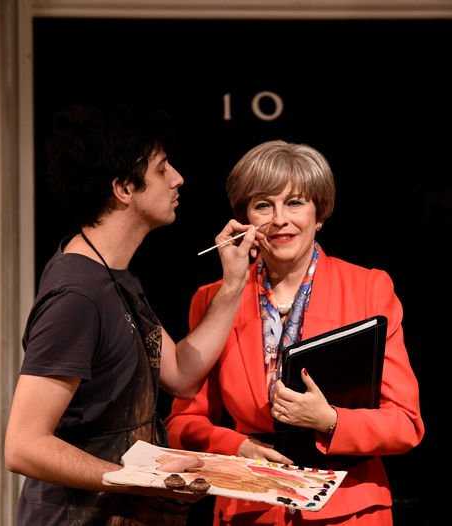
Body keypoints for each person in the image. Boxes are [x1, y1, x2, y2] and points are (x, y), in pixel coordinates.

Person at [4, 104, 261, 526]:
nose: (178, 178)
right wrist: (135, 479)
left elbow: (179, 372)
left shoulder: (112, 275)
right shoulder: (78, 295)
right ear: (124, 187)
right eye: (162, 169)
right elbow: (24, 446)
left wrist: (232, 283)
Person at [165, 140, 424, 525]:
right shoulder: (212, 300)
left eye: (296, 202)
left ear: (319, 214)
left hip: (348, 510)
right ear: (245, 221)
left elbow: (406, 423)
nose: (280, 219)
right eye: (263, 205)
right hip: (249, 509)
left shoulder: (369, 288)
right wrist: (238, 446)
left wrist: (331, 420)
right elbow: (182, 425)